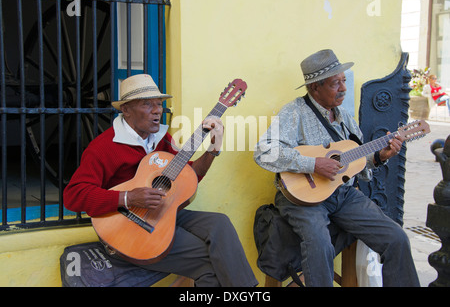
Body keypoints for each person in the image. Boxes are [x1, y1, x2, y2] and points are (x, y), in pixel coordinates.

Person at [64, 74, 257, 287]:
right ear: (126, 110)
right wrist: (129, 197)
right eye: (147, 104)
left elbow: (188, 176)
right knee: (211, 263)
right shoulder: (104, 147)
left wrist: (213, 149)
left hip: (164, 213)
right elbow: (74, 196)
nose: (157, 111)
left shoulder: (161, 139)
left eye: (159, 104)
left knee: (219, 223)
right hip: (126, 228)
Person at [254, 49, 420, 287]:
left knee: (396, 238)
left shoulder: (345, 118)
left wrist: (380, 156)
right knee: (319, 243)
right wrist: (313, 163)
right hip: (302, 199)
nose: (343, 88)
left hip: (342, 195)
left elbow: (353, 162)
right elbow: (263, 152)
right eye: (335, 83)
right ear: (315, 88)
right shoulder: (294, 112)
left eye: (344, 80)